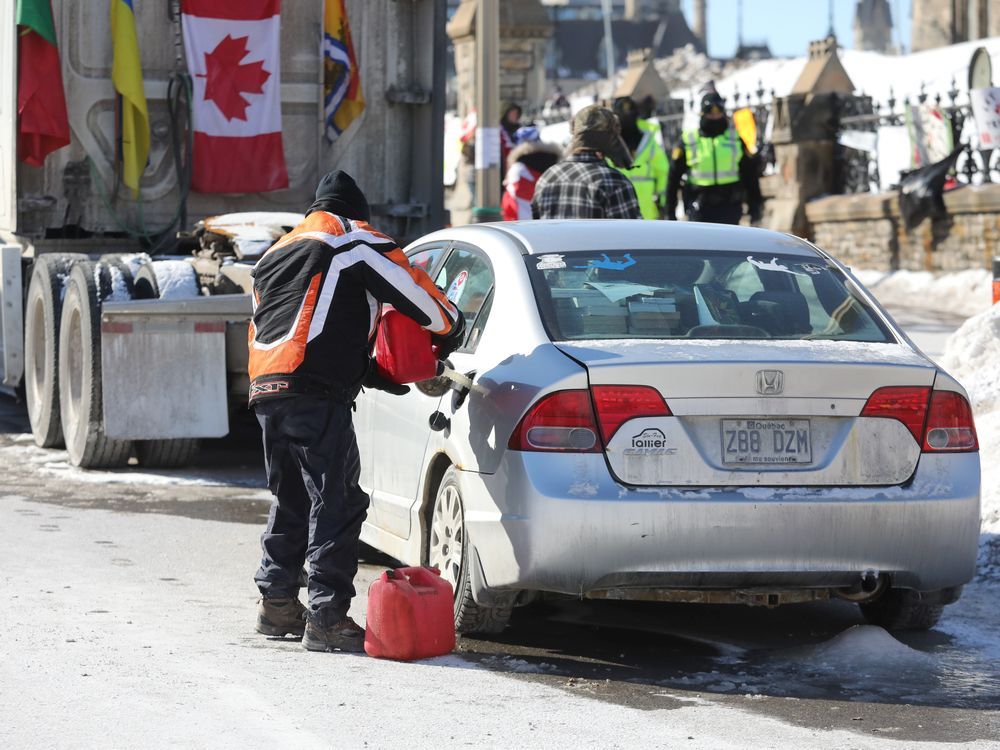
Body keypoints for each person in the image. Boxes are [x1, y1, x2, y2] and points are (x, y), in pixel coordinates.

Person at [248, 170, 464, 653]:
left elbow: (299, 320)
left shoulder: (272, 255)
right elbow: (415, 296)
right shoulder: (351, 238)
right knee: (337, 500)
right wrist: (450, 325)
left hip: (266, 388)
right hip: (314, 388)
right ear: (356, 212)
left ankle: (277, 602)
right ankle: (326, 616)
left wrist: (366, 370)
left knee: (292, 497)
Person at [665, 92, 762, 225]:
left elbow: (750, 174)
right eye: (710, 113)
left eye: (718, 112)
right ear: (702, 114)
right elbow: (673, 178)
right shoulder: (690, 140)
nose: (715, 117)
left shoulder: (734, 139)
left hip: (730, 206)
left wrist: (755, 206)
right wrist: (670, 213)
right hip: (699, 206)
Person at [531, 104, 641, 220]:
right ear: (611, 140)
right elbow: (632, 234)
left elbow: (536, 226)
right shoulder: (615, 183)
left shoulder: (547, 178)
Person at [612, 96, 670, 220]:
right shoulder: (607, 143)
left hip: (647, 213)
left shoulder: (648, 140)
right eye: (623, 113)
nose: (627, 116)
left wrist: (663, 201)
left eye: (630, 112)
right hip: (616, 213)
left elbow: (662, 171)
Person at [501, 126, 561, 221]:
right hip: (552, 224)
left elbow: (514, 205)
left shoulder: (517, 170)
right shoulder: (555, 165)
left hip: (523, 228)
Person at [499, 101, 523, 172]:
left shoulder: (519, 130)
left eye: (516, 113)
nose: (515, 116)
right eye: (512, 113)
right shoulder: (500, 131)